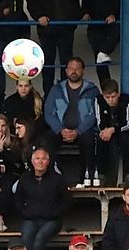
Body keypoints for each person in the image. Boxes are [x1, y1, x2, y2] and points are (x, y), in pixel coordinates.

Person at [43, 57, 99, 187]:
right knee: (46, 140)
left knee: (89, 140)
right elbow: (49, 113)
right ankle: (50, 176)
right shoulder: (56, 90)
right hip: (60, 131)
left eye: (77, 68)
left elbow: (94, 114)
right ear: (66, 70)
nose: (74, 71)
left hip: (82, 132)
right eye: (71, 68)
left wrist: (78, 131)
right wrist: (60, 130)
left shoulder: (92, 90)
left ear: (82, 71)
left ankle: (87, 176)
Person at [13, 147, 70, 250]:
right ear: (32, 161)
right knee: (26, 237)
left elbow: (67, 200)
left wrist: (56, 213)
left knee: (40, 237)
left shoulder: (58, 179)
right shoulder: (25, 178)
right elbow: (17, 200)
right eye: (37, 158)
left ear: (48, 162)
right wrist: (25, 213)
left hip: (52, 221)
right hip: (31, 219)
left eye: (43, 159)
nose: (40, 161)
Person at [94, 79, 129, 186]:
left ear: (118, 94)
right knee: (101, 140)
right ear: (103, 95)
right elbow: (99, 122)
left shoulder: (127, 100)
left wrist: (113, 130)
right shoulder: (98, 100)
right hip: (106, 133)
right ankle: (102, 175)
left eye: (113, 97)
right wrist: (106, 131)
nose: (111, 100)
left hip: (123, 132)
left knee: (127, 140)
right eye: (107, 97)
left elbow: (128, 123)